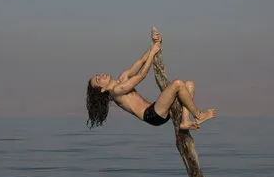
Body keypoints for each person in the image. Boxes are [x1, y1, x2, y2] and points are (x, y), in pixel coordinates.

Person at [86, 29, 216, 130]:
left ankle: (185, 121)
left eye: (98, 75)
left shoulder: (122, 77)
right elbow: (141, 75)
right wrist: (153, 52)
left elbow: (141, 61)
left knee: (189, 85)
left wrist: (155, 43)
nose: (100, 75)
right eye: (98, 80)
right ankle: (199, 115)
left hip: (157, 107)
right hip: (152, 115)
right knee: (177, 84)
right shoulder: (116, 91)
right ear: (102, 89)